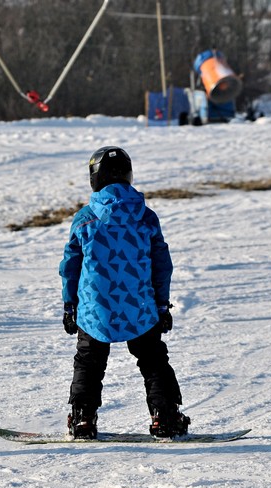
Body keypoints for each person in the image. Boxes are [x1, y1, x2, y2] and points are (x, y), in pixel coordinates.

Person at [59, 146, 190, 439]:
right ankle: (165, 417)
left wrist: (70, 305)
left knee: (88, 362)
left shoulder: (85, 218)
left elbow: (70, 266)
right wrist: (161, 305)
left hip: (95, 309)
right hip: (139, 306)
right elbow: (161, 265)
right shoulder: (146, 217)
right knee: (153, 359)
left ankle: (82, 418)